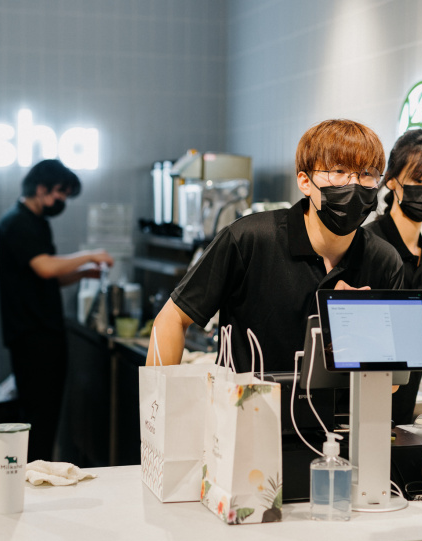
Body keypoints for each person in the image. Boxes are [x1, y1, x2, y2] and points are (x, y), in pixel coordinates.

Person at [147, 119, 404, 372]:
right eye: (338, 171)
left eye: (367, 174)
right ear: (305, 182)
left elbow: (391, 382)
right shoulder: (249, 239)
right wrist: (158, 397)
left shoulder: (384, 260)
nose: (354, 184)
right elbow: (173, 317)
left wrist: (355, 322)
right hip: (247, 400)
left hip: (339, 403)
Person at [0, 159, 113, 462]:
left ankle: (37, 470)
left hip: (42, 333)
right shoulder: (17, 223)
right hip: (32, 336)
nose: (62, 200)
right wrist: (89, 255)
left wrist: (83, 272)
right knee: (38, 417)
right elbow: (46, 267)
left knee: (45, 417)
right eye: (60, 192)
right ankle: (33, 473)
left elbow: (50, 277)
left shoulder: (36, 222)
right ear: (41, 188)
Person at [364, 129, 422, 425]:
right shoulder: (367, 247)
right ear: (391, 180)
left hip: (400, 419)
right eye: (419, 179)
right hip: (357, 416)